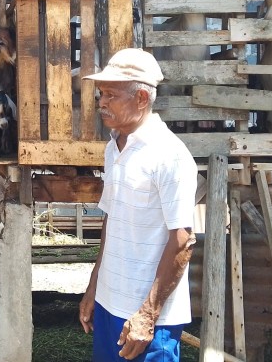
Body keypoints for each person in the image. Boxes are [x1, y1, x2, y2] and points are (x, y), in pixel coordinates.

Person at [78, 48, 197, 361]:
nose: (102, 102)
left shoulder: (169, 154)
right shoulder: (114, 147)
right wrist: (94, 287)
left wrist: (147, 316)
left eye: (111, 95)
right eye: (101, 94)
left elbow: (183, 242)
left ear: (142, 98)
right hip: (108, 304)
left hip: (147, 321)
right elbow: (112, 220)